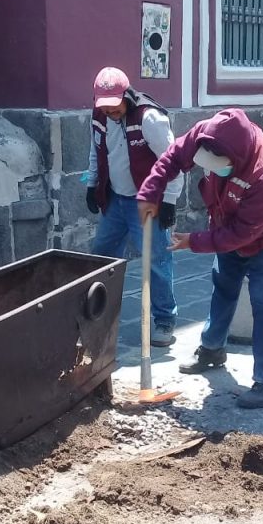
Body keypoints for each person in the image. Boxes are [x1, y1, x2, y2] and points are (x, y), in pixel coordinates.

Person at [137, 108, 263, 409]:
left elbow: (241, 235)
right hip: (227, 220)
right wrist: (151, 191)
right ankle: (212, 349)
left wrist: (194, 241)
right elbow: (174, 155)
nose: (212, 172)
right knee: (223, 286)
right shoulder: (208, 133)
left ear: (236, 160)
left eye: (219, 168)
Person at [86, 66, 183, 347]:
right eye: (104, 108)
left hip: (147, 201)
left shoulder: (149, 118)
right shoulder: (99, 117)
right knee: (101, 257)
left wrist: (169, 201)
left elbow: (172, 163)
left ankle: (164, 320)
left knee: (156, 261)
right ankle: (98, 314)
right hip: (116, 199)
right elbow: (95, 151)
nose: (110, 113)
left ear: (126, 96)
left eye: (115, 108)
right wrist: (92, 185)